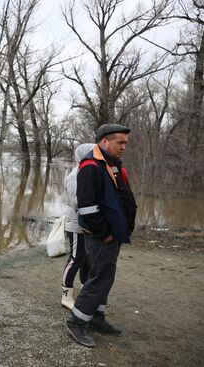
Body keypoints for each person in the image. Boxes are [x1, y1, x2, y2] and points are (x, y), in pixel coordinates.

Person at [65, 123, 137, 348]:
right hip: (101, 237)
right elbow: (86, 207)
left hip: (114, 234)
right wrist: (104, 234)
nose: (124, 146)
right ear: (104, 142)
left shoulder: (111, 164)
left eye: (125, 142)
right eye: (120, 142)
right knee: (99, 279)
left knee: (105, 276)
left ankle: (97, 318)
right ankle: (76, 322)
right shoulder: (90, 166)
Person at [61, 143, 95, 309]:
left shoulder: (88, 171)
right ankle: (66, 296)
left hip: (87, 224)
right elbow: (77, 202)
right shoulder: (76, 175)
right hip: (76, 223)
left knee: (87, 260)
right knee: (76, 259)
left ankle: (84, 290)